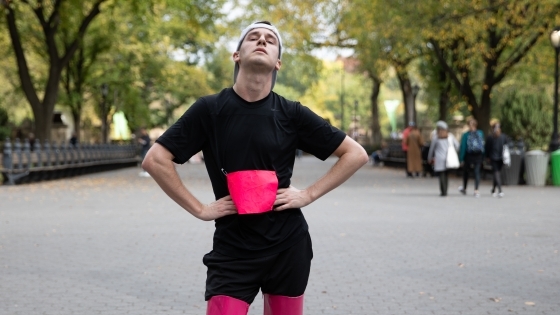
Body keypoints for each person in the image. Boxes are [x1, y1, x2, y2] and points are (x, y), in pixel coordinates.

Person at [142, 21, 368, 315]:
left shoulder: (291, 113)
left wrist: (308, 194)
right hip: (232, 248)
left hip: (288, 246)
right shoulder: (210, 110)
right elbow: (155, 159)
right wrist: (199, 209)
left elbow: (355, 153)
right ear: (237, 55)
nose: (262, 41)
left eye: (270, 40)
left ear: (278, 62)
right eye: (253, 37)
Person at [427, 121, 459, 196]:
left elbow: (432, 149)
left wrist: (429, 158)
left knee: (441, 174)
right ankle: (445, 190)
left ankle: (443, 190)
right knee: (446, 174)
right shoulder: (450, 137)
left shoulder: (436, 138)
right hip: (448, 158)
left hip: (439, 159)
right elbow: (457, 146)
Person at [458, 118, 485, 197]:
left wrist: (461, 159)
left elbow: (463, 147)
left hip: (469, 155)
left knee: (466, 172)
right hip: (478, 155)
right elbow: (483, 145)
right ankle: (476, 190)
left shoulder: (466, 135)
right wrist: (483, 156)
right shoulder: (480, 133)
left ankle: (465, 188)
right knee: (477, 172)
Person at [485, 123, 508, 197]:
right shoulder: (503, 136)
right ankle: (496, 189)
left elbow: (487, 148)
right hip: (501, 158)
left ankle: (498, 190)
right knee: (497, 173)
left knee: (496, 173)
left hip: (493, 157)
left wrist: (487, 156)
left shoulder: (490, 137)